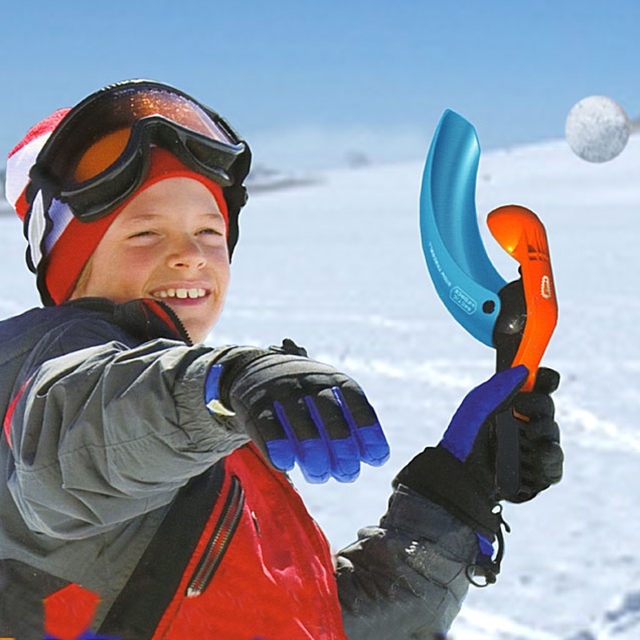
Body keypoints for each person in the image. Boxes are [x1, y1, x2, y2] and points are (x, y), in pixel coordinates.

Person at [0, 79, 563, 640]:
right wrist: (218, 386)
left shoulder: (204, 437)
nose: (190, 256)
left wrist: (458, 495)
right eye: (145, 232)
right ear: (68, 264)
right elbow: (74, 436)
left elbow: (315, 622)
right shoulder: (45, 366)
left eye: (209, 230)